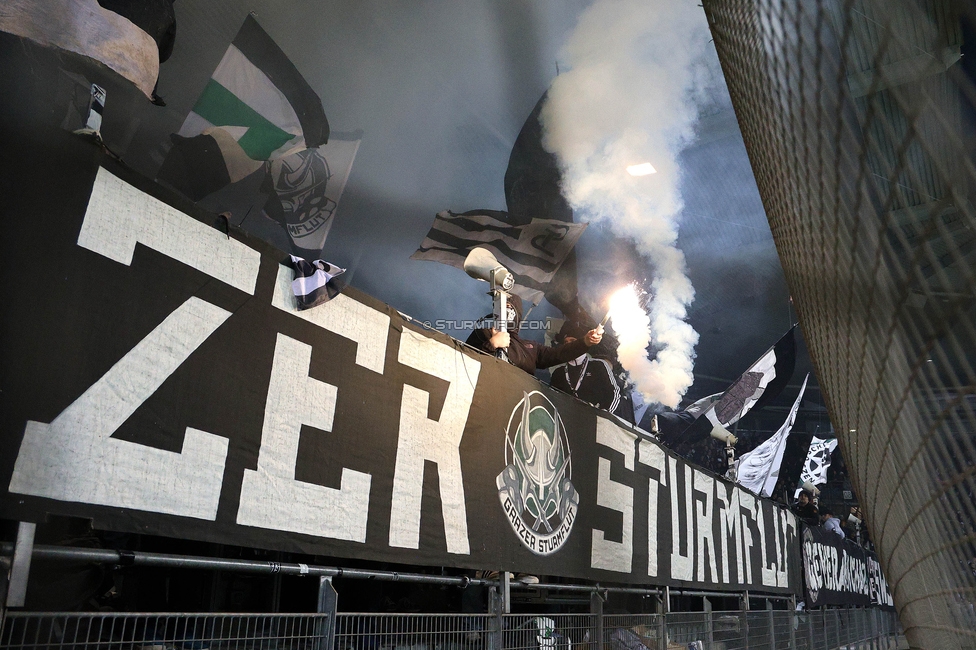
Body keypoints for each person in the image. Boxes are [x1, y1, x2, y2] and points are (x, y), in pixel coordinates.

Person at [466, 294, 602, 375]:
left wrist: (585, 342)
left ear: (518, 314)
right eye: (503, 308)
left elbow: (559, 354)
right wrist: (492, 344)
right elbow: (463, 361)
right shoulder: (483, 333)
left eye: (510, 308)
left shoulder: (531, 348)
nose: (506, 312)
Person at [549, 320, 629, 419]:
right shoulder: (558, 373)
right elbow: (551, 399)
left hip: (594, 424)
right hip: (565, 423)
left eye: (572, 341)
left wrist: (603, 417)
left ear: (581, 343)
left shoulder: (599, 366)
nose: (568, 345)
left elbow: (614, 393)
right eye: (566, 342)